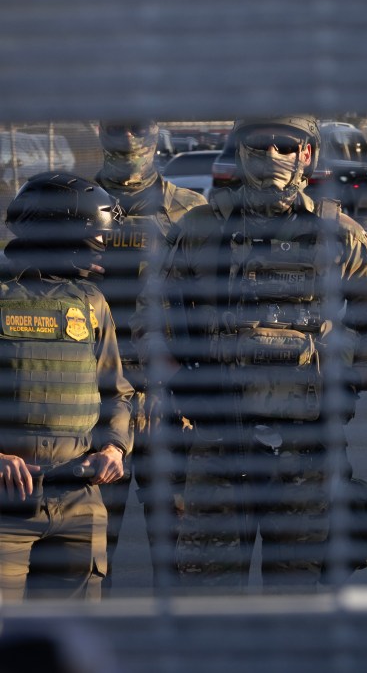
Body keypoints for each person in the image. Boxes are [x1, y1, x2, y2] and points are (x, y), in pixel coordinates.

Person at [141, 115, 367, 590]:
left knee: (296, 600)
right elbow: (152, 319)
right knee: (209, 598)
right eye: (260, 146)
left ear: (307, 154)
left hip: (306, 453)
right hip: (219, 446)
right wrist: (180, 379)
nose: (273, 158)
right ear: (240, 151)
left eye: (286, 146)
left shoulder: (340, 234)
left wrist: (350, 377)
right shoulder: (199, 230)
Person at [0, 173, 133, 601]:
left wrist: (114, 448)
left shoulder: (91, 302)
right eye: (92, 238)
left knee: (70, 646)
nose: (100, 250)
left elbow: (116, 392)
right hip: (6, 506)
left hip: (79, 501)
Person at [93, 120, 206, 592]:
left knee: (180, 556)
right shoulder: (68, 203)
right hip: (92, 403)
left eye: (139, 125)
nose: (129, 137)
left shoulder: (191, 212)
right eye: (117, 124)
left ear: (157, 130)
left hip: (170, 403)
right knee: (89, 556)